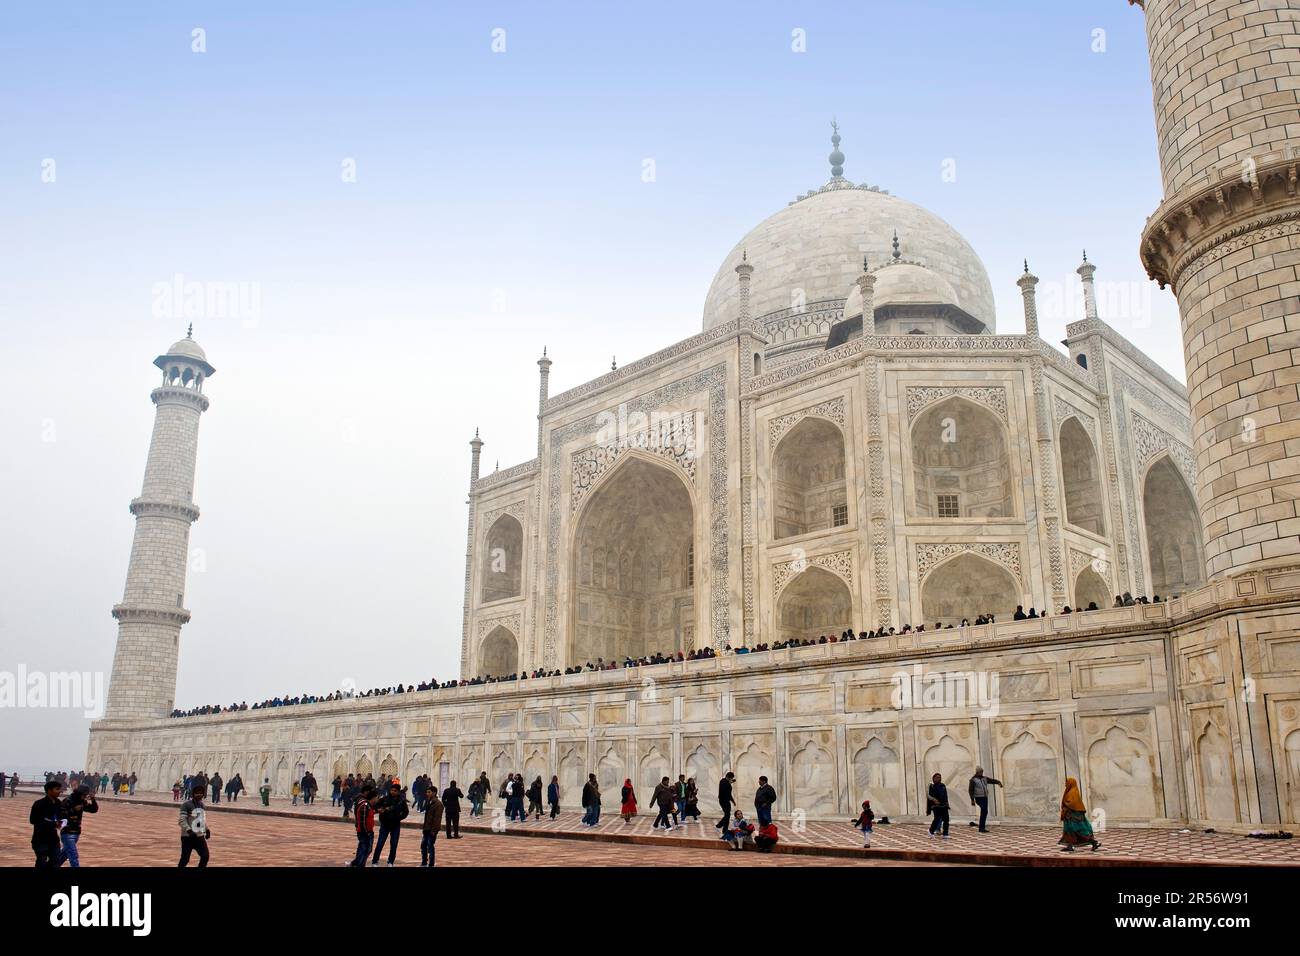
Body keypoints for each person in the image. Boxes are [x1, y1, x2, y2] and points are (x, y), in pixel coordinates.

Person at [1058, 777, 1101, 852]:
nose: (1065, 784)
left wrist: (1066, 804)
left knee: (1078, 831)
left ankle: (1094, 842)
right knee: (1069, 832)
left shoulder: (1072, 792)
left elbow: (1072, 803)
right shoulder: (1071, 791)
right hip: (1070, 816)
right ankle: (1070, 846)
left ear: (1071, 783)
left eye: (1067, 782)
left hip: (1074, 817)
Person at [60, 785, 98, 867]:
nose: (84, 797)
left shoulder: (82, 802)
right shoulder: (67, 801)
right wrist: (73, 810)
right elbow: (60, 816)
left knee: (64, 854)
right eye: (83, 795)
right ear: (78, 793)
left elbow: (93, 809)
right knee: (73, 855)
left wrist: (93, 799)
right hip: (67, 832)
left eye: (85, 795)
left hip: (76, 831)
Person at [371, 781, 409, 866]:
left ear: (398, 791)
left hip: (395, 825)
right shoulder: (384, 799)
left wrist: (399, 817)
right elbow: (375, 806)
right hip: (385, 824)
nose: (393, 792)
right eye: (392, 790)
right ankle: (375, 861)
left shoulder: (401, 801)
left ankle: (390, 861)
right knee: (380, 843)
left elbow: (405, 812)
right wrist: (382, 811)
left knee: (394, 844)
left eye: (395, 790)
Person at [30, 779, 65, 868]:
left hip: (53, 838)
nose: (59, 791)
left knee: (56, 860)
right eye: (57, 789)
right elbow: (33, 820)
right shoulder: (39, 803)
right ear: (49, 791)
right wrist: (52, 823)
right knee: (41, 862)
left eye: (59, 789)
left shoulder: (58, 803)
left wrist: (62, 822)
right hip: (40, 839)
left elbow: (61, 816)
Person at [178, 783, 211, 867]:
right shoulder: (186, 805)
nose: (199, 795)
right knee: (185, 859)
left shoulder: (202, 805)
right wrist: (189, 830)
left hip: (199, 837)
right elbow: (182, 820)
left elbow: (201, 820)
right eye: (197, 793)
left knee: (205, 856)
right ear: (193, 794)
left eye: (201, 793)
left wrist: (206, 830)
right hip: (187, 837)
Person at [967, 767, 1003, 833]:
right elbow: (970, 790)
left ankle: (981, 827)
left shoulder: (984, 778)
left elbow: (992, 781)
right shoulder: (973, 780)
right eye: (980, 772)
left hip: (984, 797)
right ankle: (981, 828)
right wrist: (972, 800)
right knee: (984, 810)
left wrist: (998, 782)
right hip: (978, 798)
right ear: (977, 772)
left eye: (982, 772)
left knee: (984, 812)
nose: (981, 773)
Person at [350, 785, 376, 867]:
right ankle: (358, 864)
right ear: (367, 792)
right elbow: (363, 820)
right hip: (364, 830)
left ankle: (356, 863)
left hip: (361, 828)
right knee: (365, 849)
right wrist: (366, 832)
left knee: (362, 848)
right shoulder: (364, 803)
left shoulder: (361, 800)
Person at [421, 785, 444, 867]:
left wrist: (434, 830)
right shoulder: (429, 802)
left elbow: (437, 819)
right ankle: (424, 862)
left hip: (432, 829)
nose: (427, 794)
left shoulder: (438, 804)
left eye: (429, 792)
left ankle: (431, 864)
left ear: (434, 793)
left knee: (430, 846)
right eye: (427, 792)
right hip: (426, 828)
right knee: (423, 845)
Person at [927, 772, 950, 838]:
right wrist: (934, 800)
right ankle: (931, 831)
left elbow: (945, 795)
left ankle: (945, 834)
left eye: (940, 777)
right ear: (933, 778)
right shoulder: (931, 786)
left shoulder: (943, 785)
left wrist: (947, 802)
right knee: (937, 819)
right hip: (936, 806)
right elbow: (929, 795)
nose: (939, 779)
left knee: (946, 820)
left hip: (944, 805)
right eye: (937, 777)